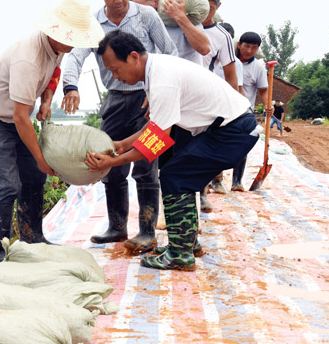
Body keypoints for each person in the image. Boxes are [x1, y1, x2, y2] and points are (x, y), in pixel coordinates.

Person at [85, 30, 258, 271]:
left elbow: (156, 141)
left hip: (233, 130)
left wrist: (111, 163)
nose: (115, 76)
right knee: (178, 174)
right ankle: (187, 243)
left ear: (133, 57)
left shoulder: (161, 77)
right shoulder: (155, 71)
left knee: (175, 176)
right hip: (226, 127)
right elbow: (156, 124)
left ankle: (180, 254)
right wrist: (122, 145)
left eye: (115, 69)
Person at [0, 0, 104, 262]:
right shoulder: (27, 59)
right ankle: (1, 250)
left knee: (34, 177)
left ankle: (33, 237)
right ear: (54, 31)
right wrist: (41, 158)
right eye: (71, 39)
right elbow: (21, 117)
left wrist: (46, 101)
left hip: (14, 118)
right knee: (8, 185)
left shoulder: (57, 48)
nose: (73, 46)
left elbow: (54, 74)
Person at [62, 0, 177, 254]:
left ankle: (147, 231)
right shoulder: (93, 24)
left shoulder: (147, 16)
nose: (119, 0)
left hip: (145, 98)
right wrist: (70, 86)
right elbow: (75, 57)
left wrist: (157, 90)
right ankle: (116, 227)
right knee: (109, 159)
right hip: (114, 100)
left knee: (146, 163)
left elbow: (169, 53)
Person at [198, 0, 239, 204]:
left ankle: (202, 192)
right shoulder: (179, 26)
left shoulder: (222, 36)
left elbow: (231, 75)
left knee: (204, 147)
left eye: (210, 8)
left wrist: (231, 108)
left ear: (218, 6)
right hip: (177, 97)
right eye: (201, 7)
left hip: (206, 99)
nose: (205, 13)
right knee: (167, 146)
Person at [231, 31, 270, 191]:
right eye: (246, 46)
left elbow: (263, 90)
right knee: (218, 143)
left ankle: (237, 181)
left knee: (242, 145)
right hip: (224, 109)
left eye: (254, 48)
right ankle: (215, 179)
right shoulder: (229, 61)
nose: (249, 51)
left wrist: (268, 105)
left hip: (245, 112)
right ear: (239, 45)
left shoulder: (258, 68)